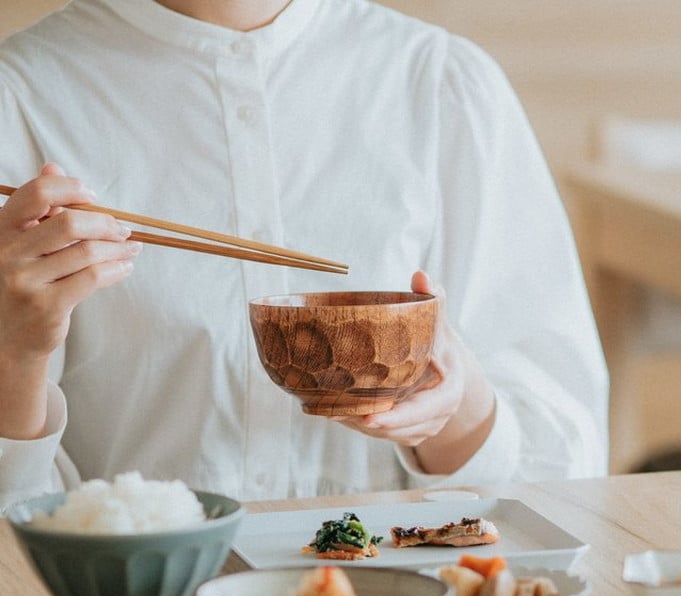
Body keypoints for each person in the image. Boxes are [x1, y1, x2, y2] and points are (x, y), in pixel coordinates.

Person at [0, 0, 609, 511]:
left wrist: (453, 401)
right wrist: (15, 354)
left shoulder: (440, 82)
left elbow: (567, 472)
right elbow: (24, 532)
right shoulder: (21, 97)